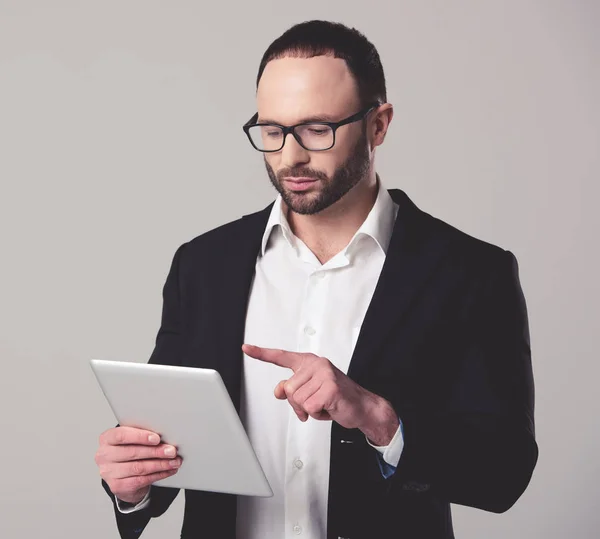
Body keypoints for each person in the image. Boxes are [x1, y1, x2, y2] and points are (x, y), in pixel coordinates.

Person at [94, 19, 538, 539]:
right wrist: (133, 484)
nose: (290, 156)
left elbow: (504, 472)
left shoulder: (469, 273)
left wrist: (379, 420)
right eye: (272, 130)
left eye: (317, 129)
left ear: (379, 125)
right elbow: (167, 444)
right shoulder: (202, 265)